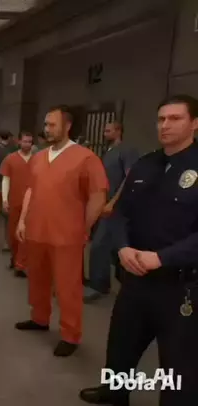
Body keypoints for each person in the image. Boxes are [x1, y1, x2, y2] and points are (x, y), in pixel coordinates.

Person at [79, 95, 198, 406]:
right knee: (121, 346)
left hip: (180, 285)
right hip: (135, 277)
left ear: (195, 124)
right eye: (161, 119)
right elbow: (120, 213)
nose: (165, 125)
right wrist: (122, 246)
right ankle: (114, 392)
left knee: (179, 366)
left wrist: (162, 257)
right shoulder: (146, 163)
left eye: (175, 118)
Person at [15, 105, 108, 357]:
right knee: (37, 279)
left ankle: (70, 333)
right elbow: (30, 190)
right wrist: (22, 220)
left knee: (67, 287)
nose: (47, 129)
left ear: (67, 126)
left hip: (67, 235)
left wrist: (83, 227)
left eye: (52, 125)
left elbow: (97, 197)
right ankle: (39, 317)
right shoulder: (38, 157)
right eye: (45, 125)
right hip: (36, 230)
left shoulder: (86, 158)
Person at [84, 122, 140, 302]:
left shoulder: (127, 150)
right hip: (103, 205)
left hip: (116, 206)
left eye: (108, 130)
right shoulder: (108, 152)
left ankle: (98, 285)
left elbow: (130, 177)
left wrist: (113, 202)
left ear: (118, 131)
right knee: (113, 247)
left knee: (99, 246)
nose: (104, 133)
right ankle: (124, 282)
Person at [0, 131, 34, 278]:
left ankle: (21, 264)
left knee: (26, 234)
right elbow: (6, 179)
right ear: (19, 142)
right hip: (14, 200)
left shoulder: (37, 159)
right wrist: (4, 199)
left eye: (30, 142)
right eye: (25, 141)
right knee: (13, 234)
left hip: (32, 203)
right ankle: (15, 258)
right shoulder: (10, 159)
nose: (27, 144)